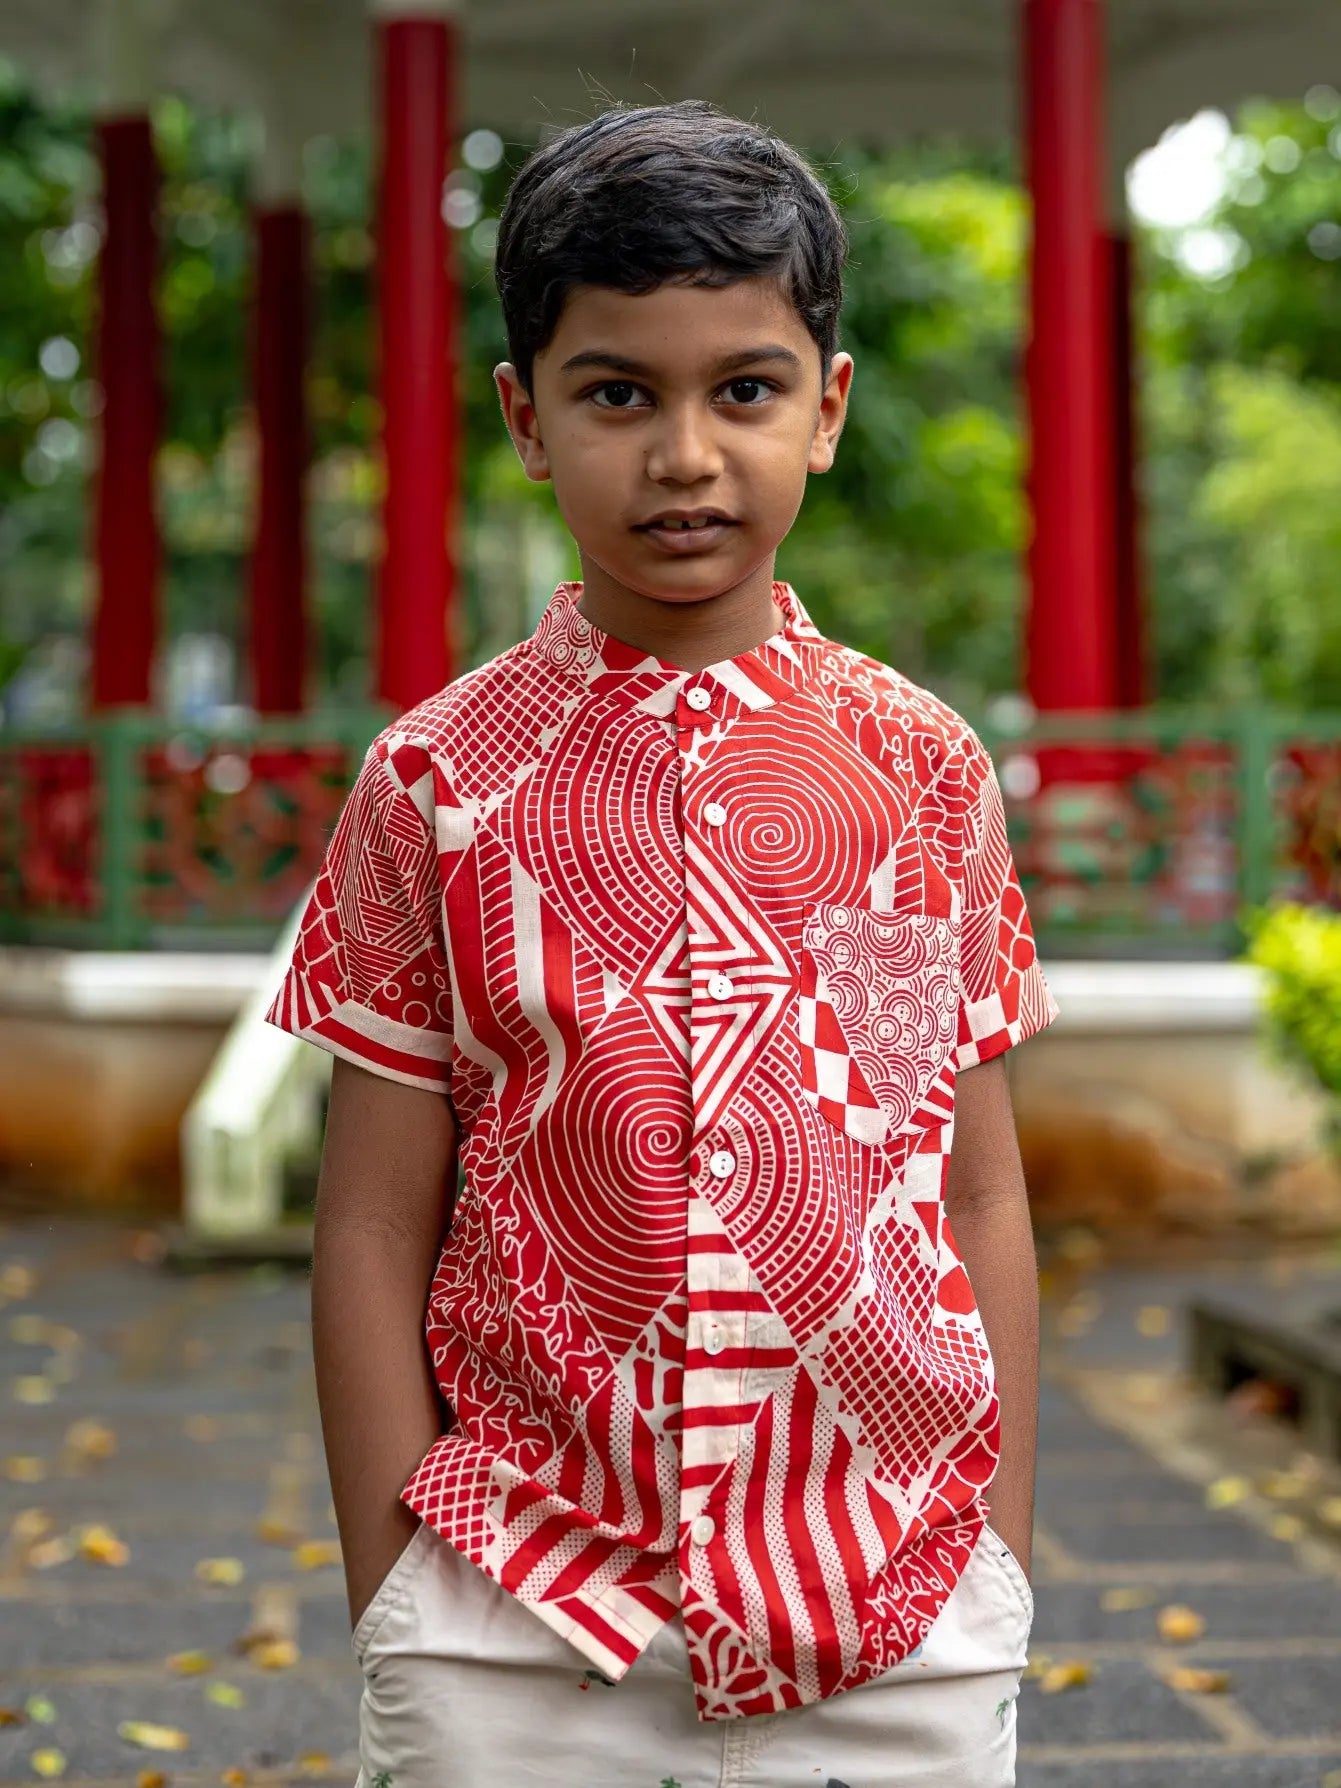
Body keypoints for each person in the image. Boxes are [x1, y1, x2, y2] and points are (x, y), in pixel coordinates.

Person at [267, 98, 1058, 1788]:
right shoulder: (436, 784)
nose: (686, 454)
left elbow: (956, 1180)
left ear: (825, 410)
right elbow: (371, 1219)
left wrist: (991, 1553)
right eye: (618, 392)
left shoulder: (913, 771)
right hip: (519, 1607)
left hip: (889, 1597)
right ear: (526, 417)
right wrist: (395, 1603)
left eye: (744, 390)